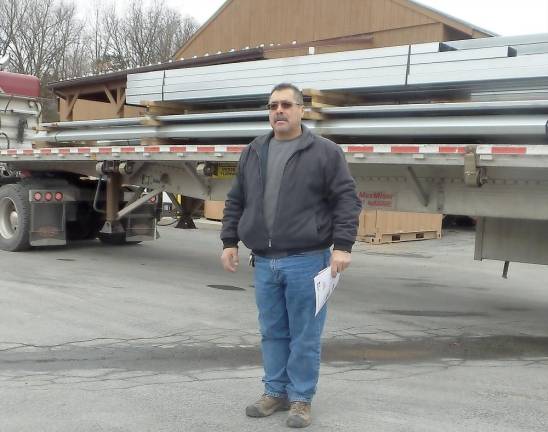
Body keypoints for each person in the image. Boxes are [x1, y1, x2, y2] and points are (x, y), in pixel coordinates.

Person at [220, 83, 361, 428]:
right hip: (265, 261)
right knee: (272, 332)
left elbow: (346, 200)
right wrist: (229, 240)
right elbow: (236, 199)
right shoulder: (254, 151)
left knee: (305, 335)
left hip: (307, 260)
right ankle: (275, 393)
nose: (278, 111)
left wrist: (343, 246)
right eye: (272, 106)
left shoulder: (324, 152)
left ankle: (300, 399)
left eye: (286, 105)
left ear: (301, 110)